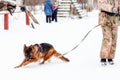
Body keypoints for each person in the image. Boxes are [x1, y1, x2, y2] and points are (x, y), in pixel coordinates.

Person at [98, 0, 120, 65]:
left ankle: (110, 57)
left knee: (114, 39)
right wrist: (112, 8)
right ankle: (103, 58)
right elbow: (100, 5)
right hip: (105, 19)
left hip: (115, 20)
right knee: (107, 38)